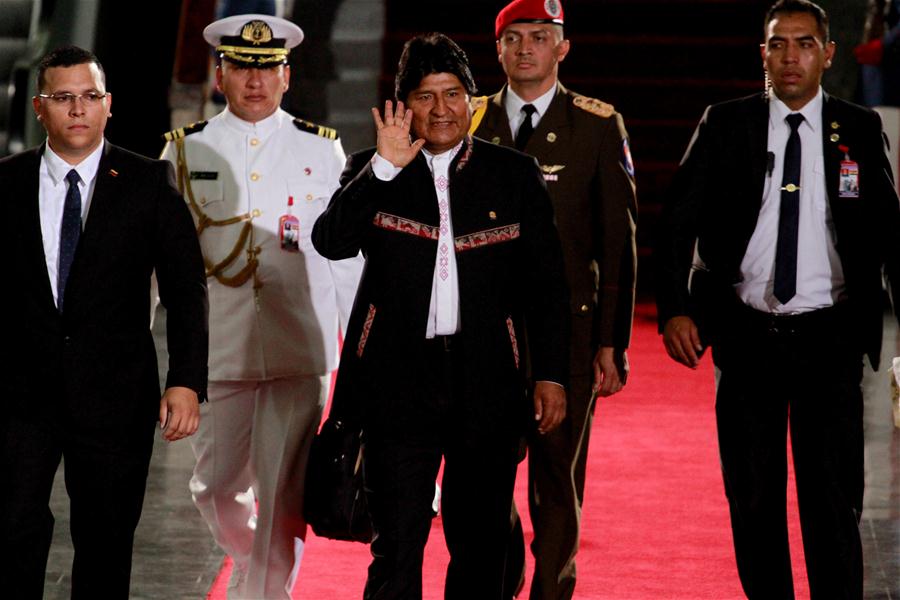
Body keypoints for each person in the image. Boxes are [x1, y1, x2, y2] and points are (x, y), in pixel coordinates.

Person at [312, 32, 571, 599]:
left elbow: (547, 287)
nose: (441, 111)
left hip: (489, 384)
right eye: (425, 97)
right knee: (397, 545)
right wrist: (382, 167)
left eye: (452, 94)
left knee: (479, 546)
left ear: (472, 101)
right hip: (396, 384)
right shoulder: (371, 169)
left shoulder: (514, 175)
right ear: (404, 106)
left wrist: (550, 374)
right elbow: (329, 241)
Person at [654, 1, 900, 597]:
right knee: (754, 501)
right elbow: (676, 221)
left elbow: (893, 238)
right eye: (778, 44)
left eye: (805, 44)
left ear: (828, 54)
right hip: (746, 338)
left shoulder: (859, 128)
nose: (791, 57)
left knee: (832, 503)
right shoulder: (725, 123)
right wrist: (675, 308)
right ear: (761, 53)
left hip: (830, 339)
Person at [159, 14, 362, 599]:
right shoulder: (184, 149)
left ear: (287, 76)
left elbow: (343, 255)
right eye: (243, 67)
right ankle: (245, 555)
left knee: (283, 493)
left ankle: (267, 591)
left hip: (299, 344)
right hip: (217, 346)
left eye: (267, 68)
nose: (255, 80)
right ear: (221, 74)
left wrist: (361, 346)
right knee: (215, 487)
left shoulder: (321, 150)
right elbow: (163, 256)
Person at [0, 45, 208, 598]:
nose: (77, 109)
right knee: (11, 531)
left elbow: (187, 290)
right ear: (39, 108)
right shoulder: (4, 184)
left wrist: (185, 380)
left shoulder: (148, 183)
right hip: (18, 397)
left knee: (105, 543)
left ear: (108, 105)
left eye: (89, 97)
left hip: (116, 397)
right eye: (63, 98)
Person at [469, 0, 637, 596]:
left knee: (556, 475)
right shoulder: (465, 120)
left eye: (539, 37)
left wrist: (612, 342)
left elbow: (617, 240)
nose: (525, 49)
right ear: (497, 50)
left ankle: (551, 588)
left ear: (562, 47)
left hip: (566, 329)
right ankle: (504, 574)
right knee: (483, 473)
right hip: (480, 333)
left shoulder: (595, 124)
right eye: (512, 38)